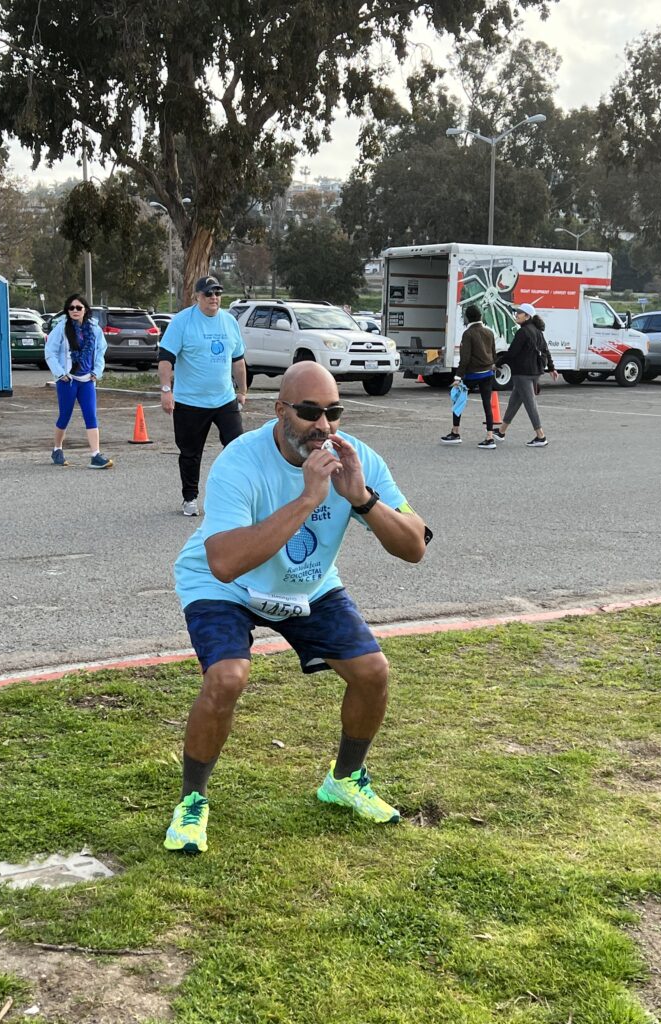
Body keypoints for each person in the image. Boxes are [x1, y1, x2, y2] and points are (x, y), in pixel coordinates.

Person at [163, 362, 432, 854]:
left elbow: (415, 546)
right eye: (310, 412)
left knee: (372, 672)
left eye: (333, 412)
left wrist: (363, 500)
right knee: (227, 677)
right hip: (226, 585)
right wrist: (310, 499)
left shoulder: (356, 459)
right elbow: (222, 562)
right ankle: (191, 802)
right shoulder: (240, 461)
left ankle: (345, 780)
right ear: (281, 410)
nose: (323, 426)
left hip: (306, 583)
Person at [158, 275, 247, 516]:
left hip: (224, 399)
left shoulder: (229, 322)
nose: (214, 298)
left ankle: (234, 496)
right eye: (208, 293)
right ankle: (190, 498)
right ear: (197, 296)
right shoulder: (183, 321)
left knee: (236, 447)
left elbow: (238, 361)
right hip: (190, 401)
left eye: (217, 293)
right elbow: (166, 359)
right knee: (190, 453)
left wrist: (242, 391)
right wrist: (167, 391)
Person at [44, 294, 113, 469]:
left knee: (91, 415)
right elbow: (50, 352)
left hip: (87, 379)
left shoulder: (94, 329)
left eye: (78, 307)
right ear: (67, 310)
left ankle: (95, 454)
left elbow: (100, 353)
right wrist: (60, 373)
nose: (75, 311)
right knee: (65, 416)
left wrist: (96, 372)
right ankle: (57, 449)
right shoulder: (61, 328)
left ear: (85, 310)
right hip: (68, 379)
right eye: (71, 308)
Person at [494, 303, 558, 447]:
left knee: (530, 404)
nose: (516, 315)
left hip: (523, 373)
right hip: (534, 372)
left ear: (527, 316)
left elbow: (512, 353)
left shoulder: (523, 332)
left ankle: (541, 436)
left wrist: (497, 363)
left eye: (519, 313)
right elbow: (546, 351)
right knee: (514, 402)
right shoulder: (537, 331)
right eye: (516, 312)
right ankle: (501, 432)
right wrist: (552, 368)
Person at [440, 305, 498, 449]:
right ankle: (489, 436)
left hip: (472, 374)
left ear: (467, 318)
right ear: (481, 317)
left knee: (458, 399)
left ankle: (455, 432)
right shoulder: (489, 332)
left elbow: (465, 359)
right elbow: (494, 353)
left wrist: (458, 377)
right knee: (487, 404)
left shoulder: (468, 334)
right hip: (488, 373)